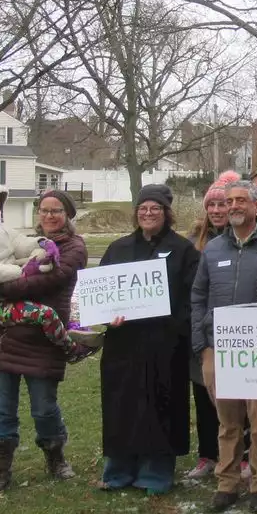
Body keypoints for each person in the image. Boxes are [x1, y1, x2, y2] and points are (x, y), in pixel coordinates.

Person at [0, 189, 88, 493]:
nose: (49, 216)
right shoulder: (20, 242)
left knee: (44, 408)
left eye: (56, 210)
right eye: (44, 210)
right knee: (1, 409)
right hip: (4, 337)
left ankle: (55, 456)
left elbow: (44, 280)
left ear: (68, 215)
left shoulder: (74, 248)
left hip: (43, 338)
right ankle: (0, 469)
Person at [96, 185, 199, 495]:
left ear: (167, 213)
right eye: (143, 208)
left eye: (155, 208)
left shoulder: (183, 250)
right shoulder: (118, 248)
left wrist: (175, 326)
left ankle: (156, 472)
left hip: (163, 345)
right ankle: (118, 469)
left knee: (160, 406)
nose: (148, 213)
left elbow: (192, 296)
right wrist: (105, 316)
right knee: (120, 405)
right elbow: (101, 292)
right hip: (123, 344)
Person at [191, 177, 257, 513]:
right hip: (218, 346)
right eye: (229, 202)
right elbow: (199, 295)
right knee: (228, 422)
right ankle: (226, 483)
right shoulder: (213, 249)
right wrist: (202, 341)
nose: (233, 207)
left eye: (241, 200)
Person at [0, 178, 82, 357]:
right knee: (44, 314)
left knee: (45, 310)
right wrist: (21, 272)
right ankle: (72, 350)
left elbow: (19, 242)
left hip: (28, 334)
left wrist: (41, 243)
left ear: (68, 214)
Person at [185, 170, 240, 480]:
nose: (218, 211)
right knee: (204, 395)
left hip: (237, 331)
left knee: (237, 399)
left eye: (223, 204)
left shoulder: (243, 238)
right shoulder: (194, 242)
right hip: (203, 330)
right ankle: (207, 454)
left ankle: (239, 457)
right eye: (212, 205)